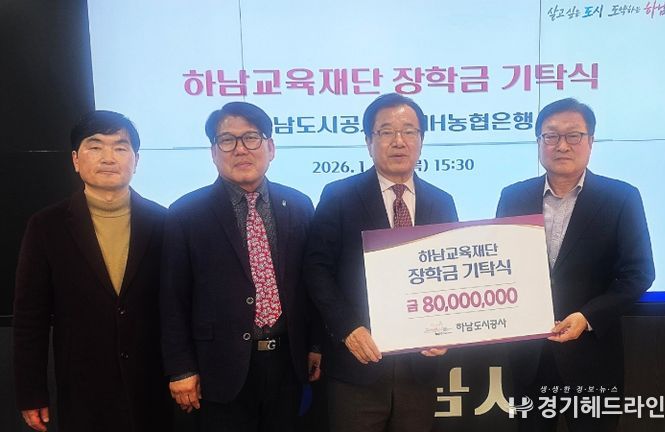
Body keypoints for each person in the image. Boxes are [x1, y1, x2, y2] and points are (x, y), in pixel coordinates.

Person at [161, 101, 322, 432]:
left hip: (288, 362)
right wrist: (181, 368)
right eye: (227, 140)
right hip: (219, 367)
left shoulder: (299, 205)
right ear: (213, 152)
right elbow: (172, 299)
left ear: (270, 148)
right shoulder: (185, 214)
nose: (240, 149)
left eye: (251, 137)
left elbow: (312, 284)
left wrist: (316, 345)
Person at [496, 98, 655, 431]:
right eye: (551, 136)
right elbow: (501, 264)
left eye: (573, 135)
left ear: (591, 141)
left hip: (592, 358)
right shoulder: (512, 197)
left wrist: (587, 316)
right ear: (539, 142)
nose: (562, 145)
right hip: (529, 358)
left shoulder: (621, 198)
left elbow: (639, 273)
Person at [304, 93, 458, 432]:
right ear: (368, 141)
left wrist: (447, 329)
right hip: (357, 364)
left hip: (420, 368)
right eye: (386, 131)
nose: (398, 141)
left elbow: (450, 276)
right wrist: (347, 328)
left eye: (409, 131)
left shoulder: (442, 202)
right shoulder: (339, 196)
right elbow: (316, 270)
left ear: (422, 139)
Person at [13, 110, 172, 432]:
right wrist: (31, 391)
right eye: (95, 146)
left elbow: (177, 306)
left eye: (120, 147)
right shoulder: (47, 226)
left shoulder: (164, 222)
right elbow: (31, 317)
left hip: (153, 384)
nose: (108, 157)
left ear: (136, 160)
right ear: (75, 159)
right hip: (83, 387)